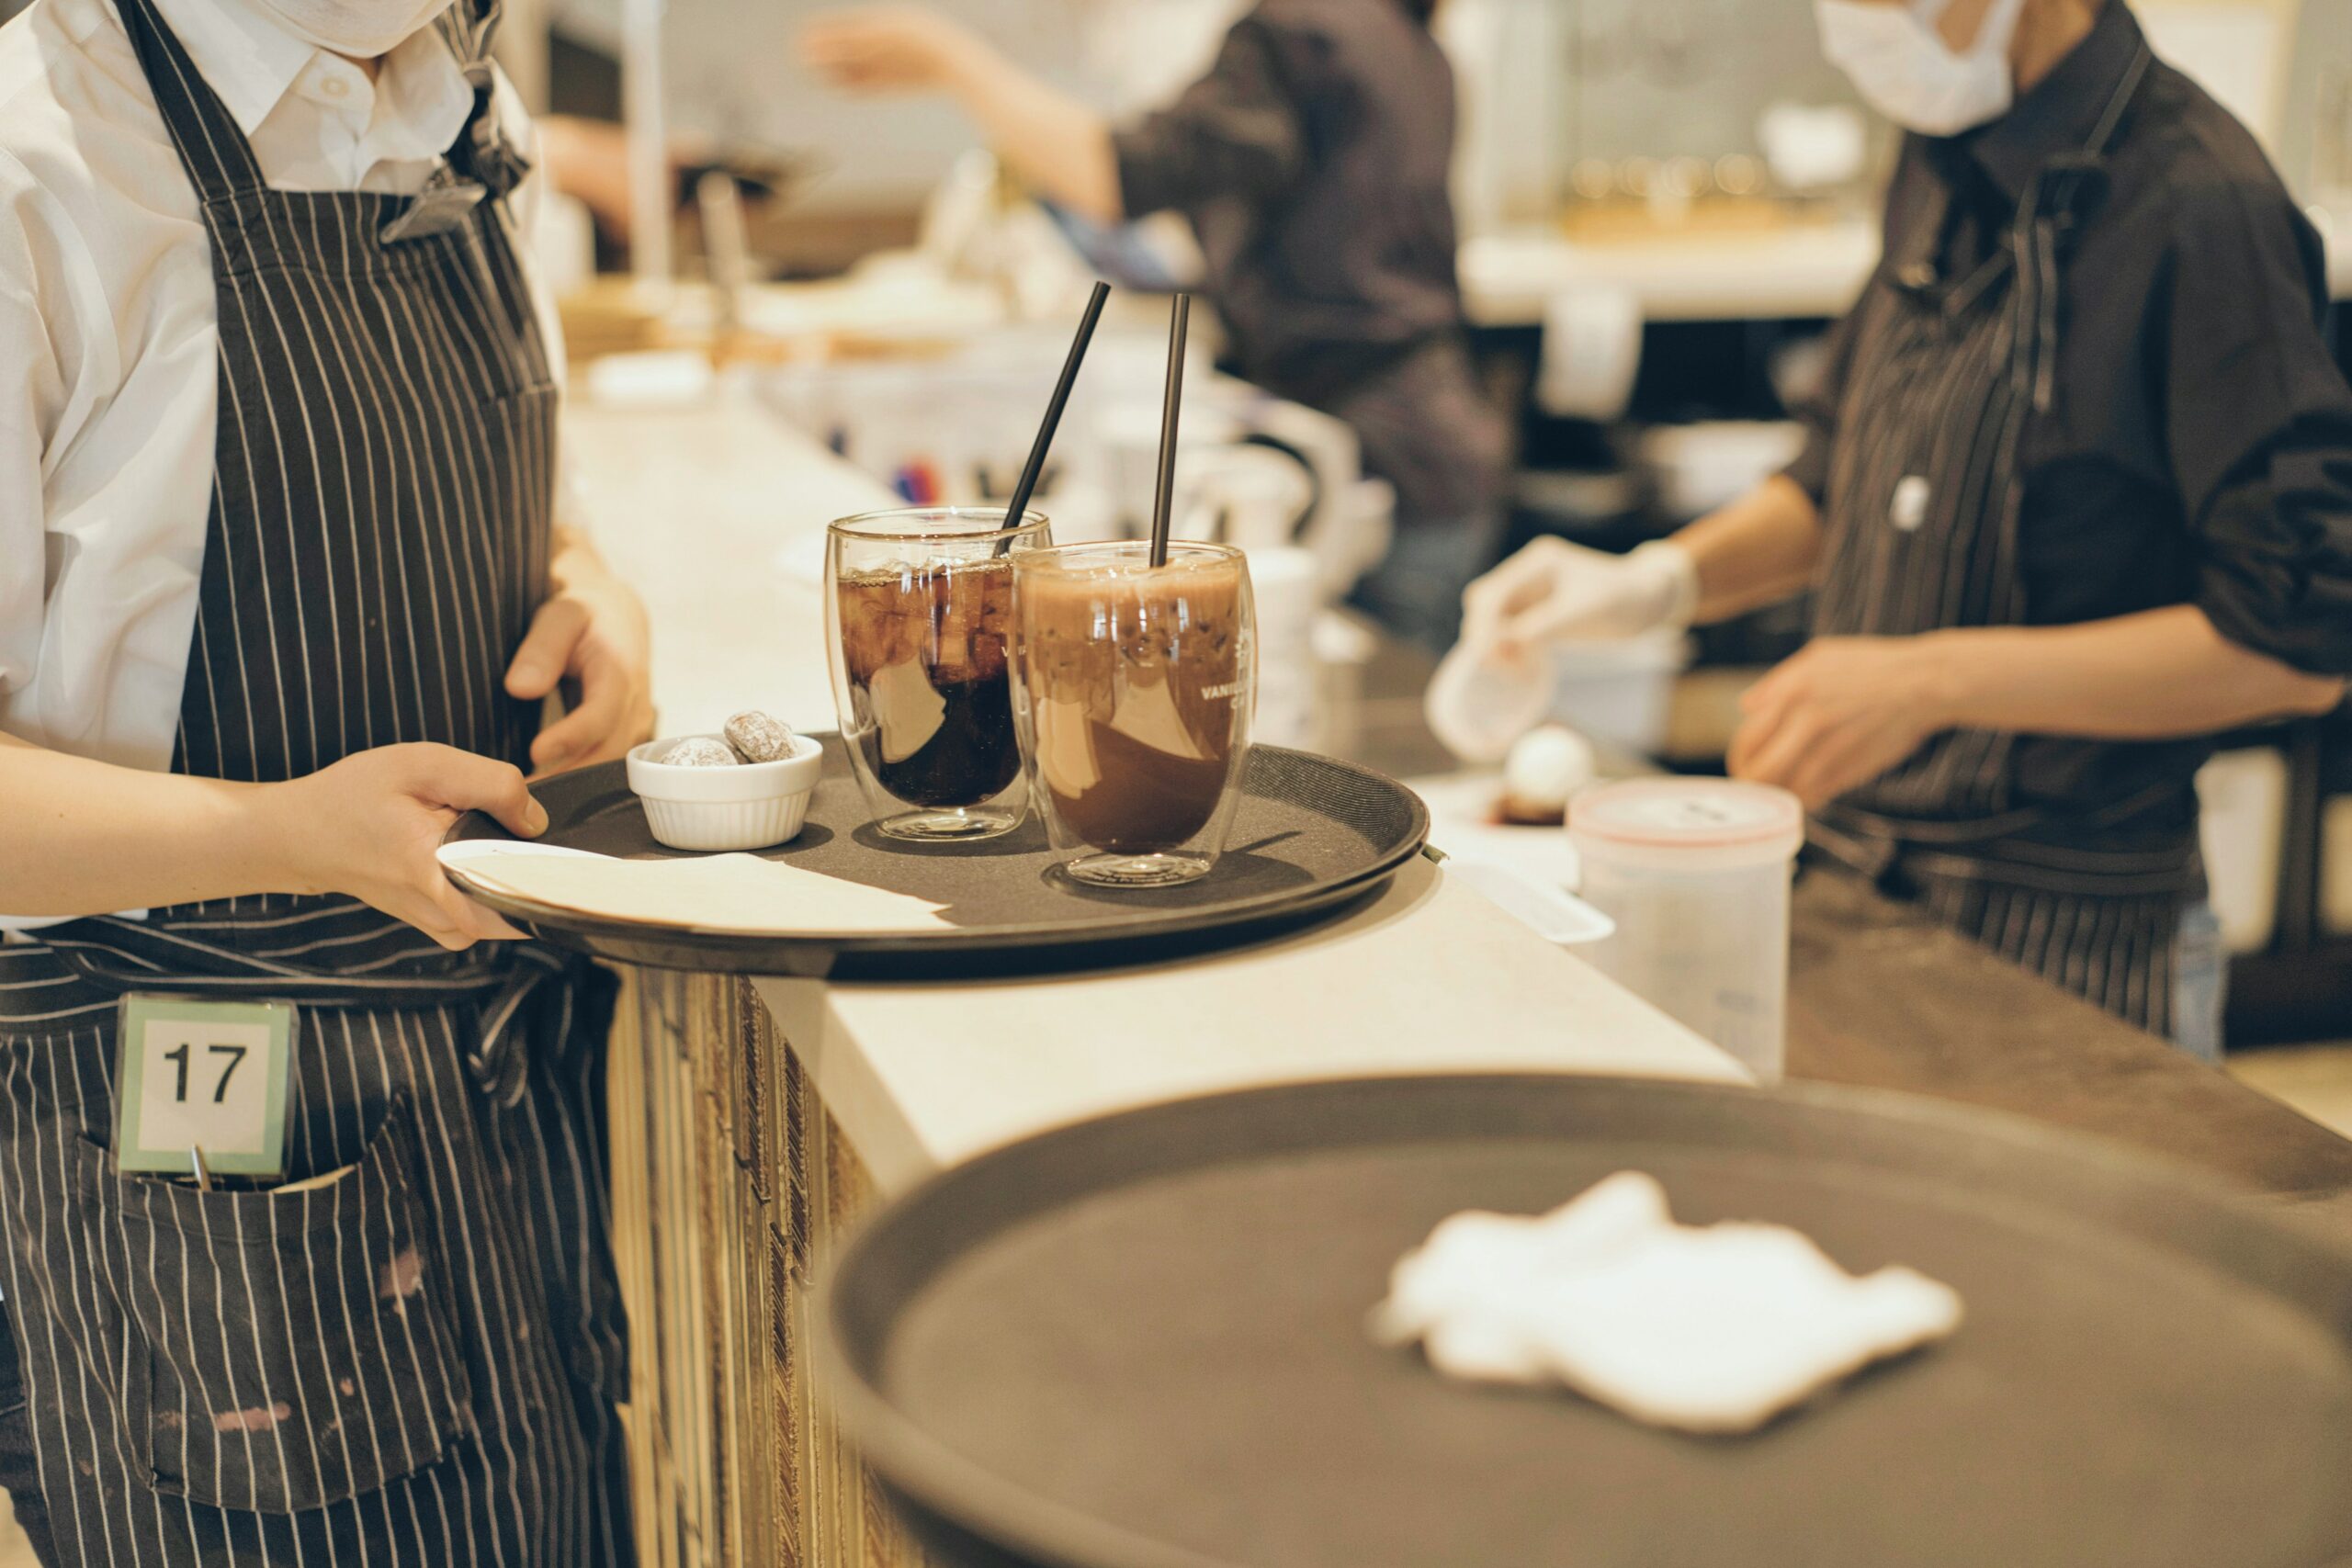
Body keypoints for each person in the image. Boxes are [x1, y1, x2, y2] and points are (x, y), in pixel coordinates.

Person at [0, 0, 653, 1554]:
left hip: (492, 1114)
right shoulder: (41, 164)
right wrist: (285, 833)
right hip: (201, 1159)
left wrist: (583, 583)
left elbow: (472, 483)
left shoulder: (452, 105)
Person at [1458, 0, 2352, 1057]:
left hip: (2073, 945)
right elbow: (1845, 475)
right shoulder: (1939, 154)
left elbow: (2293, 650)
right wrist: (1655, 583)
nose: (1850, 21)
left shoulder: (2204, 207)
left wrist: (1926, 682)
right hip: (1858, 895)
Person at [798, 0, 1510, 649]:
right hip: (1442, 441)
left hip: (1372, 454)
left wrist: (949, 57)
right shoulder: (1413, 43)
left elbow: (1115, 176)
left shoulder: (1299, 34)